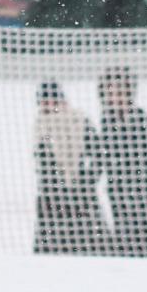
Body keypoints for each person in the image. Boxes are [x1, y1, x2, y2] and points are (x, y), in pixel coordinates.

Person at [32, 80, 111, 255]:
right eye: (44, 101)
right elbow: (43, 163)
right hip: (52, 198)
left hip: (81, 196)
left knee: (92, 246)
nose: (49, 105)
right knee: (51, 250)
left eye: (53, 100)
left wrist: (86, 182)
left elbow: (98, 154)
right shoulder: (40, 126)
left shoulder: (79, 121)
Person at [97, 67, 147, 257]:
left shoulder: (141, 119)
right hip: (118, 191)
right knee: (124, 243)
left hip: (143, 190)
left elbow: (140, 155)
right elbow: (104, 155)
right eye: (110, 92)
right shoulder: (106, 120)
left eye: (119, 91)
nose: (115, 97)